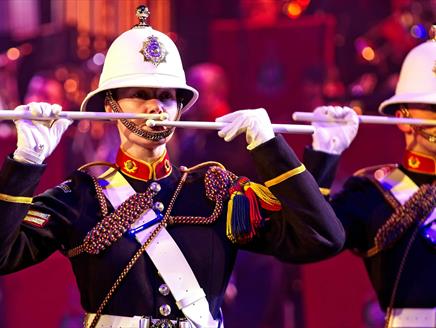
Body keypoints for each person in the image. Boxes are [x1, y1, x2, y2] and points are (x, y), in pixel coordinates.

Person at [0, 5, 345, 328]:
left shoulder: (217, 192)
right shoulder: (80, 198)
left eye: (166, 96)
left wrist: (271, 148)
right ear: (110, 104)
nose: (155, 108)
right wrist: (26, 163)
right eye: (139, 94)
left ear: (180, 107)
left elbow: (323, 238)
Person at [304, 27, 436, 328]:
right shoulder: (373, 193)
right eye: (433, 107)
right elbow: (311, 240)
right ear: (403, 119)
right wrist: (323, 157)